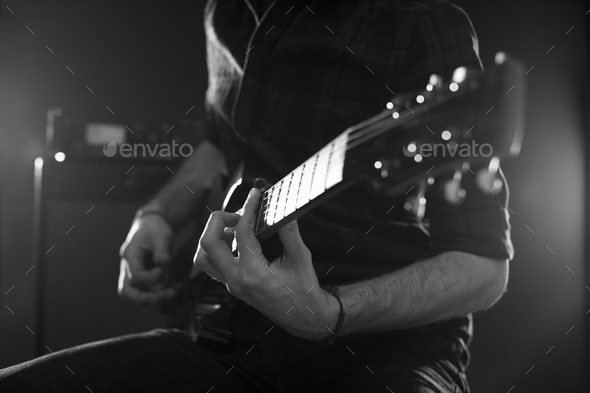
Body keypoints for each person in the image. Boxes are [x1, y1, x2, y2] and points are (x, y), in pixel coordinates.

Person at [0, 0, 513, 391]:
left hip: (386, 353)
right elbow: (220, 140)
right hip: (230, 340)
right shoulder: (226, 10)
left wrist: (330, 313)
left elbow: (486, 267)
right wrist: (157, 214)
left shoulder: (420, 21)